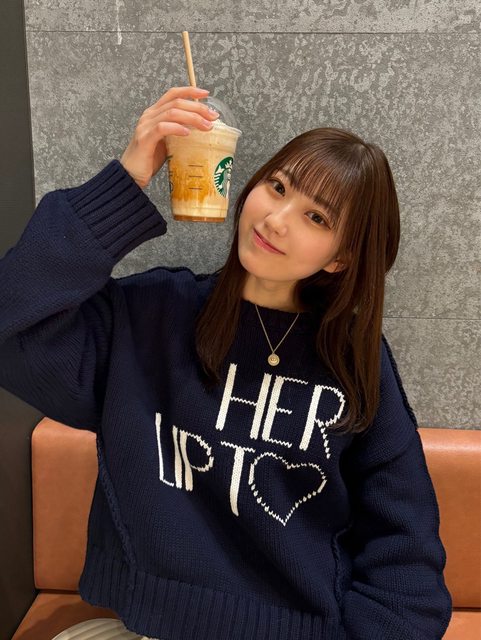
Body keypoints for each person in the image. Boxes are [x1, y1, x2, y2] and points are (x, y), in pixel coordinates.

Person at [0, 85, 451, 640]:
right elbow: (12, 320)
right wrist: (128, 178)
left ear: (341, 258)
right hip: (149, 628)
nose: (276, 219)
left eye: (315, 216)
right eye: (277, 187)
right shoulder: (154, 314)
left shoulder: (353, 359)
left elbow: (405, 553)